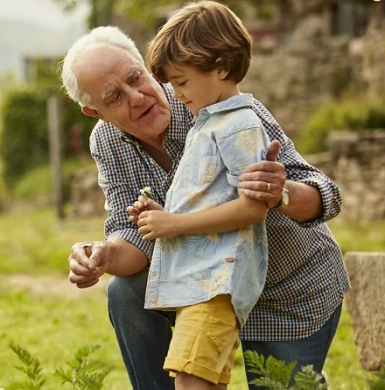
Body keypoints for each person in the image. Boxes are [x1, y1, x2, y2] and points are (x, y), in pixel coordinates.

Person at [60, 19, 349, 390]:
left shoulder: (223, 107)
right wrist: (101, 255)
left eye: (135, 79)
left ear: (148, 68)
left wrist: (281, 193)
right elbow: (133, 235)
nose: (136, 98)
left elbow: (326, 194)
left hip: (285, 287)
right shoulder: (107, 142)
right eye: (114, 97)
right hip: (203, 286)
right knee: (125, 291)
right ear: (95, 113)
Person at [129, 2, 270, 388]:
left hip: (215, 283)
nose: (175, 93)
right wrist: (162, 213)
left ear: (221, 67)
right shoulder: (208, 121)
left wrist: (175, 223)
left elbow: (253, 208)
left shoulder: (239, 125)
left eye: (182, 82)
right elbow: (213, 197)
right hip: (200, 283)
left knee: (191, 381)